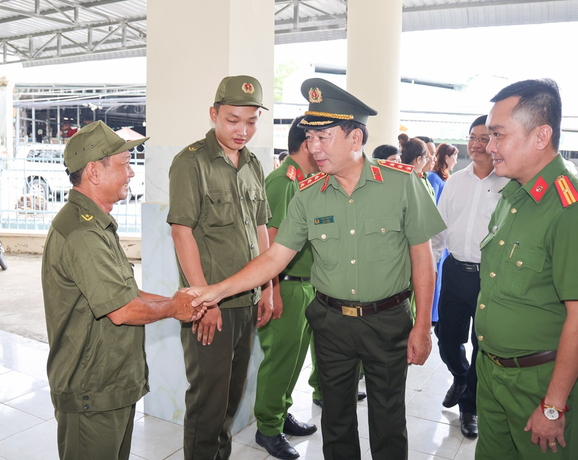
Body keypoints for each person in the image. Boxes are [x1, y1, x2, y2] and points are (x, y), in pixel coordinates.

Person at [188, 78, 446, 460]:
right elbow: (275, 257)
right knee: (336, 421)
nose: (313, 147)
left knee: (388, 419)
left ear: (355, 138)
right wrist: (217, 290)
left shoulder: (403, 184)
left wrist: (422, 326)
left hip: (388, 319)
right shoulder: (308, 194)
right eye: (309, 137)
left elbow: (424, 260)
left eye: (323, 137)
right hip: (331, 322)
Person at [41, 120, 203, 460]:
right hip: (91, 393)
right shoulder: (83, 234)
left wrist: (183, 299)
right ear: (94, 173)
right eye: (125, 164)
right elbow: (124, 310)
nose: (131, 173)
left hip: (108, 388)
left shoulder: (95, 224)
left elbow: (128, 294)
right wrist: (174, 308)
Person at [475, 79, 578, 459]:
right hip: (493, 373)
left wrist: (554, 405)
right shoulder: (512, 195)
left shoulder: (573, 208)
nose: (489, 147)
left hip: (542, 383)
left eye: (498, 135)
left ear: (540, 136)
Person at [167, 75, 273, 460]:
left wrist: (269, 288)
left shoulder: (253, 165)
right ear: (213, 114)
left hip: (246, 301)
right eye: (232, 120)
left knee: (230, 399)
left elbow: (262, 228)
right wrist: (204, 301)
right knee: (208, 404)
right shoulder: (191, 161)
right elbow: (182, 233)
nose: (243, 130)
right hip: (211, 307)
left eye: (251, 121)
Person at [431, 116, 509, 440]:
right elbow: (438, 229)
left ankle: (469, 408)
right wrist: (430, 265)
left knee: (481, 344)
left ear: (495, 141)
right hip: (454, 270)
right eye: (472, 137)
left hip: (489, 277)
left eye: (483, 137)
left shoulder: (508, 183)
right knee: (447, 339)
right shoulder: (455, 181)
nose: (476, 144)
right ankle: (460, 375)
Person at [254, 115, 320, 459]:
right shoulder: (284, 182)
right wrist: (273, 291)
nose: (323, 146)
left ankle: (281, 412)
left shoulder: (306, 180)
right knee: (279, 360)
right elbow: (271, 243)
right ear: (307, 143)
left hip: (306, 286)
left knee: (294, 362)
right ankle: (267, 428)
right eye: (318, 139)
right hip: (288, 287)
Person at [426, 143, 458, 325]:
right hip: (436, 236)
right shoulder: (432, 178)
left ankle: (436, 315)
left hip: (446, 237)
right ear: (446, 157)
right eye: (453, 156)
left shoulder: (448, 179)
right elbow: (434, 210)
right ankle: (431, 317)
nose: (455, 160)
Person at [400, 136, 435, 200]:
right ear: (419, 159)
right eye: (426, 157)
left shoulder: (424, 178)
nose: (434, 159)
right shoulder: (406, 180)